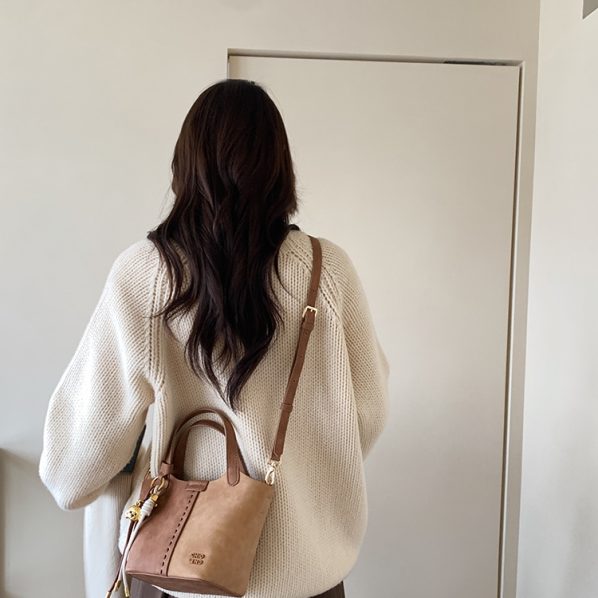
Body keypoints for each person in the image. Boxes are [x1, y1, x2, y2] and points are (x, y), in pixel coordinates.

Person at [38, 78, 390, 598]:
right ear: (280, 169)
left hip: (185, 574)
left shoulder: (146, 275)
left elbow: (72, 470)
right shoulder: (327, 270)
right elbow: (367, 413)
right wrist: (300, 471)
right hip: (313, 584)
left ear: (185, 166)